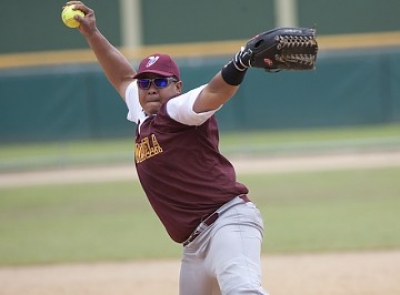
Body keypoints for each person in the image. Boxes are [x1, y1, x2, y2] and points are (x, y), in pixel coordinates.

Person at [66, 1, 270, 294]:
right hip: (193, 245)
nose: (150, 87)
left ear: (177, 86)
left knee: (244, 290)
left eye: (160, 81)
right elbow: (123, 76)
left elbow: (214, 92)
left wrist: (239, 62)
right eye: (145, 81)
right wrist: (92, 34)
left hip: (227, 224)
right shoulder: (143, 113)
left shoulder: (177, 109)